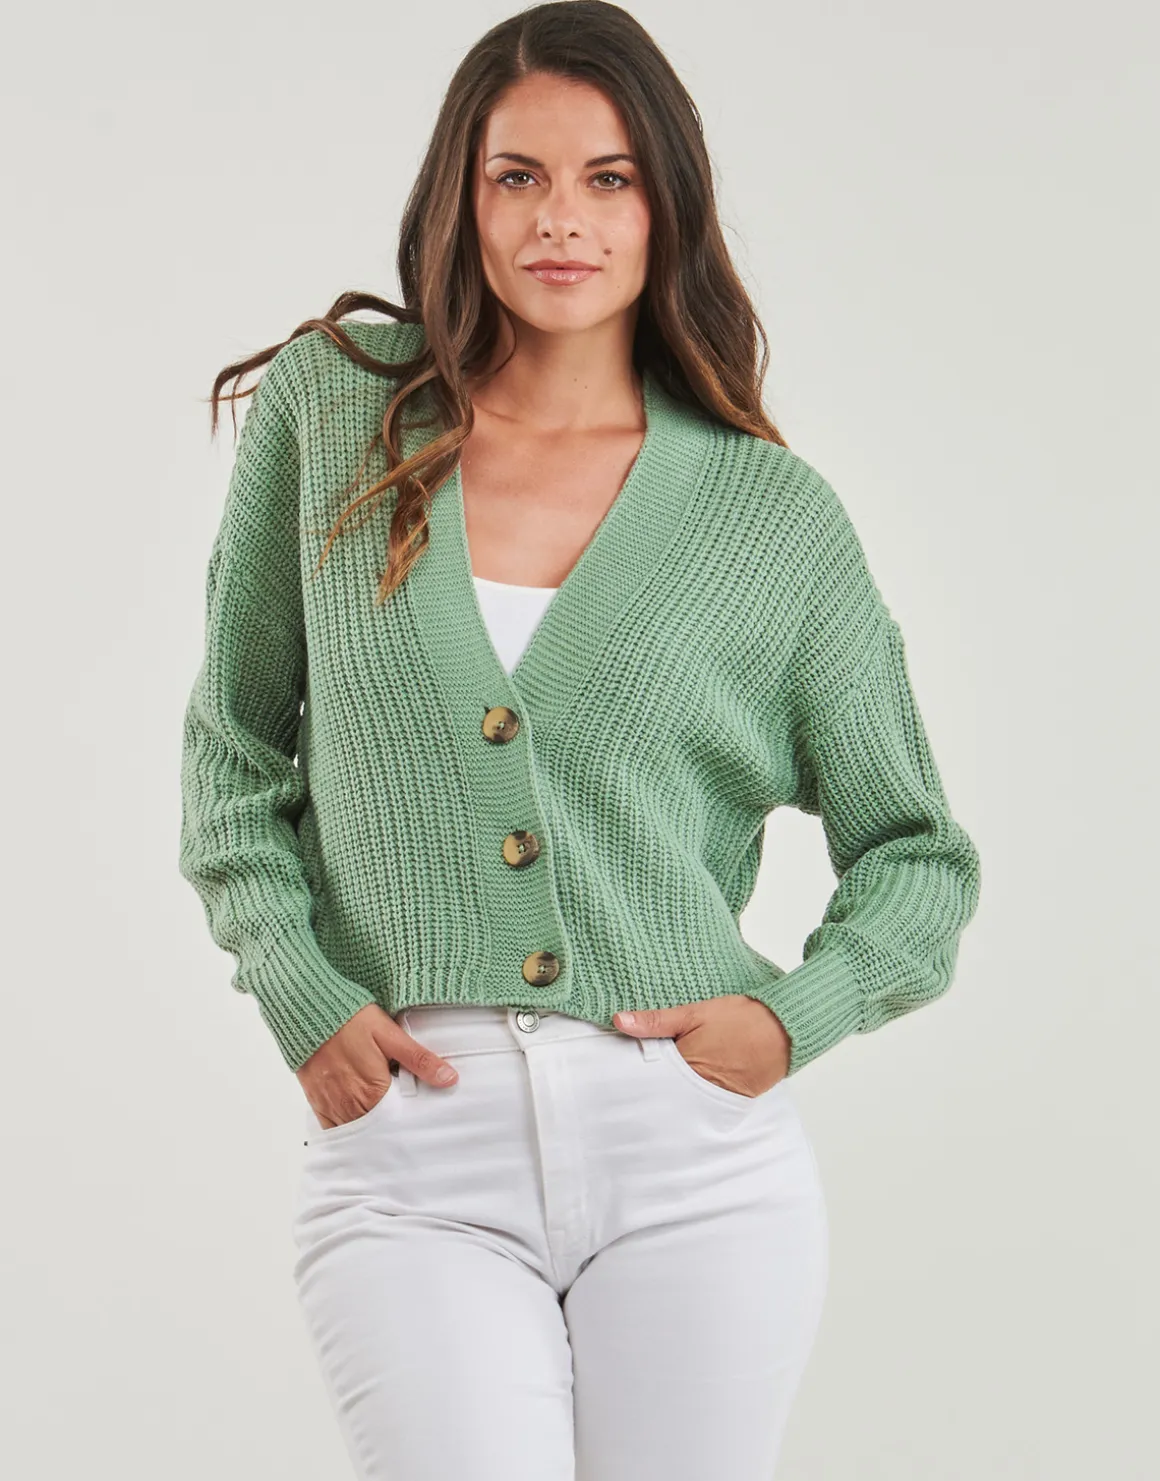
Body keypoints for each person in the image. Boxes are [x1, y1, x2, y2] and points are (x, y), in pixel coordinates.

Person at [177, 4, 981, 1477]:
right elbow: (235, 749)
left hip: (692, 1162)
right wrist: (298, 989)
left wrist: (792, 1018)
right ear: (461, 196)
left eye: (610, 179)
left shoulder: (768, 517)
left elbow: (918, 854)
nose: (563, 219)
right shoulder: (340, 409)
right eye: (520, 176)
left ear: (666, 205)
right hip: (416, 1154)